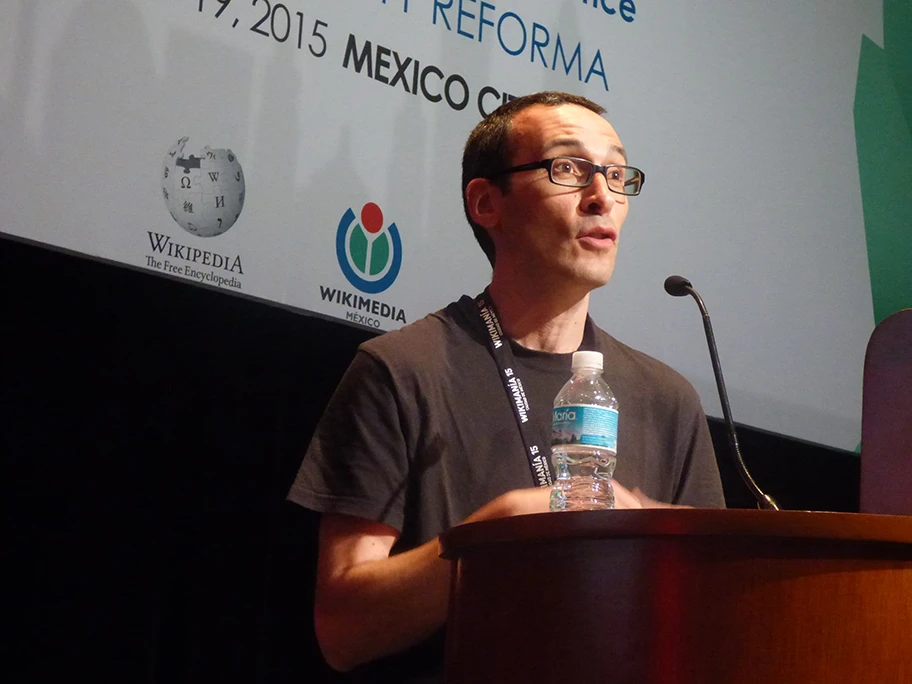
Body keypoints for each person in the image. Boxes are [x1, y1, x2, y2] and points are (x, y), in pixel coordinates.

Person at [288, 91, 724, 681]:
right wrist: (498, 532)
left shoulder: (667, 400)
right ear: (486, 202)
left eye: (617, 174)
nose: (603, 197)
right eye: (568, 169)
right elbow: (344, 626)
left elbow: (707, 622)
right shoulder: (402, 370)